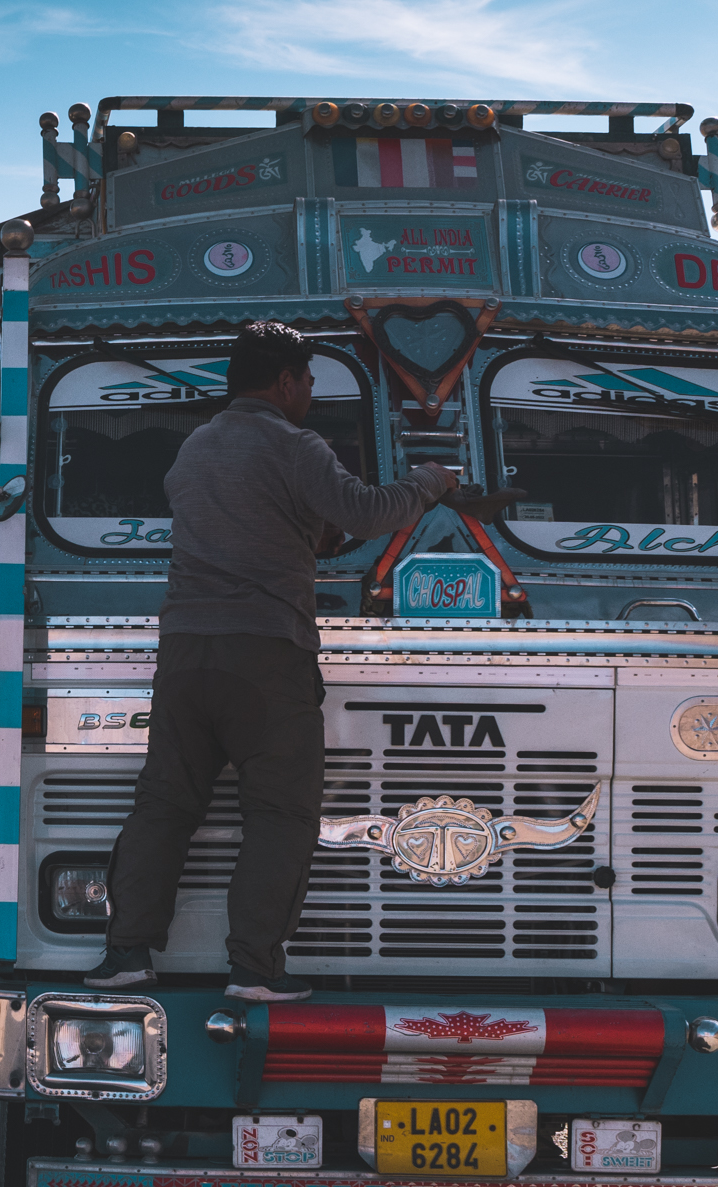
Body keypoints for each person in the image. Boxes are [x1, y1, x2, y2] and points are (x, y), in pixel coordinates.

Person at [83, 321, 460, 1003]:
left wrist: (303, 530)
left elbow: (242, 523)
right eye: (309, 381)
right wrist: (430, 481)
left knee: (165, 803)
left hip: (186, 653)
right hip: (265, 652)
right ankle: (256, 968)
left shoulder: (194, 450)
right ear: (285, 381)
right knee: (281, 811)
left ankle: (125, 954)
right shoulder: (295, 444)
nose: (311, 394)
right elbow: (367, 512)